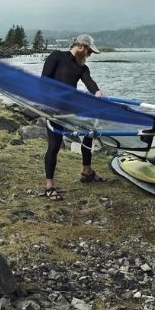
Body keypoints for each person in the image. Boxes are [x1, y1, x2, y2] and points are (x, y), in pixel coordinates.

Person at [40, 34, 105, 200]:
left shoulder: (82, 67)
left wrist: (97, 92)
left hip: (71, 108)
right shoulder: (57, 56)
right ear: (81, 46)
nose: (89, 55)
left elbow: (89, 82)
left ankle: (86, 171)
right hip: (53, 108)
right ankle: (49, 186)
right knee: (54, 145)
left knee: (88, 132)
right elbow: (43, 81)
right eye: (89, 51)